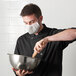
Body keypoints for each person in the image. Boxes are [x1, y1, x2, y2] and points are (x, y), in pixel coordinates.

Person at [12, 3, 76, 76]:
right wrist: (18, 73)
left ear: (40, 18)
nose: (29, 25)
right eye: (26, 23)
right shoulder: (21, 40)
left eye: (32, 22)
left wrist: (47, 39)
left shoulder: (54, 34)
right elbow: (17, 67)